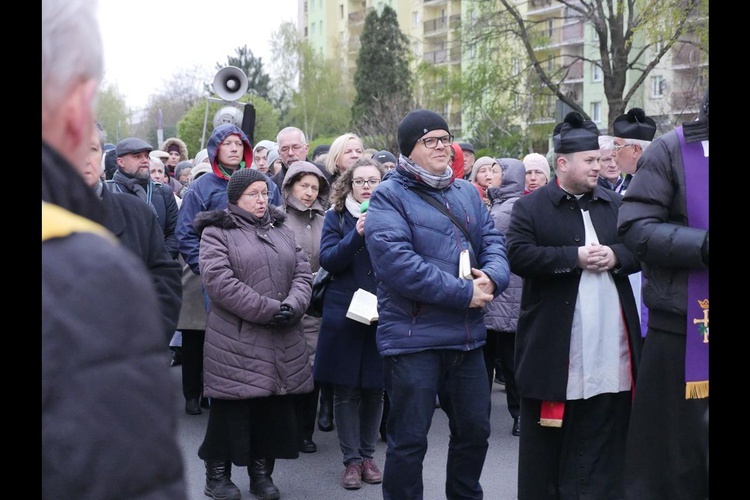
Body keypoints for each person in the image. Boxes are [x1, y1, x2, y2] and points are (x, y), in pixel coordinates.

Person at [42, 0, 186, 497]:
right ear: (75, 110)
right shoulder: (88, 275)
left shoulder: (137, 211)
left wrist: (151, 328)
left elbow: (165, 270)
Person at [365, 109, 510, 499]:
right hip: (414, 339)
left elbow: (493, 241)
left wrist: (493, 276)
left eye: (446, 139)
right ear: (409, 150)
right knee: (409, 441)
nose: (443, 147)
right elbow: (399, 266)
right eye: (431, 141)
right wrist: (465, 293)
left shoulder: (466, 192)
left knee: (475, 432)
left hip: (467, 338)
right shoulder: (387, 196)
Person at [505, 111, 643, 499]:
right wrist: (574, 257)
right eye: (590, 161)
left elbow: (639, 248)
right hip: (556, 347)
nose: (599, 166)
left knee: (605, 435)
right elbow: (518, 255)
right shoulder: (531, 208)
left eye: (600, 159)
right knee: (551, 447)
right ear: (562, 163)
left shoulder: (614, 204)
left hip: (610, 346)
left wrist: (615, 257)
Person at [194, 168, 314, 500]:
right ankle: (217, 477)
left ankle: (261, 474)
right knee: (232, 410)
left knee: (271, 408)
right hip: (237, 337)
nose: (261, 200)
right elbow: (220, 283)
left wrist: (293, 304)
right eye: (253, 194)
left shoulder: (282, 230)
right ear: (236, 199)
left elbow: (303, 274)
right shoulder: (217, 232)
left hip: (281, 334)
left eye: (265, 193)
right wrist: (268, 309)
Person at [617, 87, 709, 500]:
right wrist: (703, 246)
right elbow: (636, 228)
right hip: (684, 331)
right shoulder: (671, 151)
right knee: (677, 460)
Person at [314, 157, 387, 490]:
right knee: (346, 389)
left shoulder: (392, 214)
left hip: (383, 310)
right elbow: (328, 260)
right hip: (345, 312)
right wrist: (357, 234)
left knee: (375, 388)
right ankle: (351, 461)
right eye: (361, 181)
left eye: (373, 181)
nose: (367, 186)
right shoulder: (336, 217)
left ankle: (369, 456)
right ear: (349, 184)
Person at [85, 122, 182, 344]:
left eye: (90, 148)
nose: (82, 157)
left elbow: (165, 276)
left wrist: (150, 337)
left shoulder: (137, 211)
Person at [176, 123, 280, 277]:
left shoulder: (265, 183)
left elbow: (281, 226)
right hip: (219, 277)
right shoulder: (200, 188)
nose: (234, 148)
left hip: (264, 272)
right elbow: (185, 234)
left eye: (239, 144)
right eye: (227, 143)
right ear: (215, 149)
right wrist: (209, 269)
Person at [279, 160, 331, 454]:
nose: (309, 192)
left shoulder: (327, 219)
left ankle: (305, 431)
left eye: (315, 187)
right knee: (288, 368)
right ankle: (286, 430)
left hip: (318, 302)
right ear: (290, 186)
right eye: (303, 185)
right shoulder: (276, 218)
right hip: (287, 300)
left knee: (313, 368)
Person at [483, 158, 526, 437]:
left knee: (505, 363)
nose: (489, 175)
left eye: (495, 171)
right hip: (502, 295)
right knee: (504, 362)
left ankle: (518, 414)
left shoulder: (508, 209)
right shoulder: (499, 205)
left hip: (504, 295)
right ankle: (516, 415)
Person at [108, 137, 180, 259]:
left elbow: (174, 233)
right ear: (121, 162)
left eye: (146, 156)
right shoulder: (108, 191)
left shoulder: (163, 192)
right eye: (137, 156)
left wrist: (161, 263)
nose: (144, 160)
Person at [612, 107, 657, 195]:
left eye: (617, 146)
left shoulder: (654, 186)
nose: (613, 153)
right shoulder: (625, 182)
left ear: (635, 150)